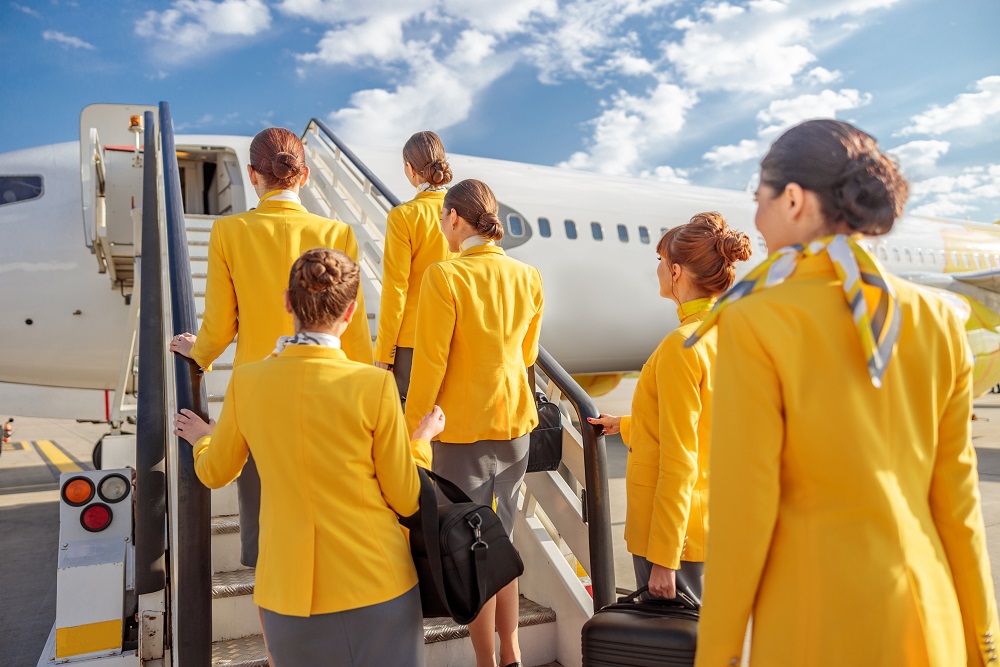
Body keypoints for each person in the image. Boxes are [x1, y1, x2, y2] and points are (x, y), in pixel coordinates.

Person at [692, 119, 1000, 666]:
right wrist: (985, 647)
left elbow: (744, 517)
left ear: (791, 200)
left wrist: (714, 656)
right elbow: (959, 507)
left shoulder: (757, 319)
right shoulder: (936, 317)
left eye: (757, 198)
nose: (756, 218)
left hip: (818, 630)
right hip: (933, 624)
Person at [173, 248, 443, 667]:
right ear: (351, 312)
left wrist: (205, 439)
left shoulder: (247, 383)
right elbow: (408, 499)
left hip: (288, 595)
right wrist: (421, 443)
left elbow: (214, 473)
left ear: (287, 303)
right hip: (378, 582)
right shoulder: (374, 386)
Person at [169, 127, 374, 573]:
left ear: (252, 175)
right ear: (304, 176)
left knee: (269, 546)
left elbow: (221, 325)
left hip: (260, 399)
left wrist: (197, 354)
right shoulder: (337, 232)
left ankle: (277, 639)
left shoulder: (229, 230)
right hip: (329, 395)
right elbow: (352, 328)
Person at [404, 179, 544, 667]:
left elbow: (430, 364)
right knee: (499, 539)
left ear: (455, 218)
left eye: (443, 219)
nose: (442, 228)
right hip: (514, 423)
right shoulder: (529, 275)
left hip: (460, 431)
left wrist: (410, 429)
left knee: (469, 550)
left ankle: (486, 661)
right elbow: (526, 353)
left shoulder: (445, 276)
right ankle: (512, 653)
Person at [587, 214, 751, 603]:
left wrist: (664, 557)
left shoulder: (682, 345)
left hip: (675, 540)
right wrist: (626, 425)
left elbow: (680, 457)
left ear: (676, 272)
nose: (658, 270)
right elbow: (707, 424)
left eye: (660, 262)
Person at [373, 131, 457, 403]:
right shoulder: (463, 214)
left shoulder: (404, 216)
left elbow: (395, 289)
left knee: (410, 425)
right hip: (457, 334)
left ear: (410, 170)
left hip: (413, 341)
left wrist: (384, 353)